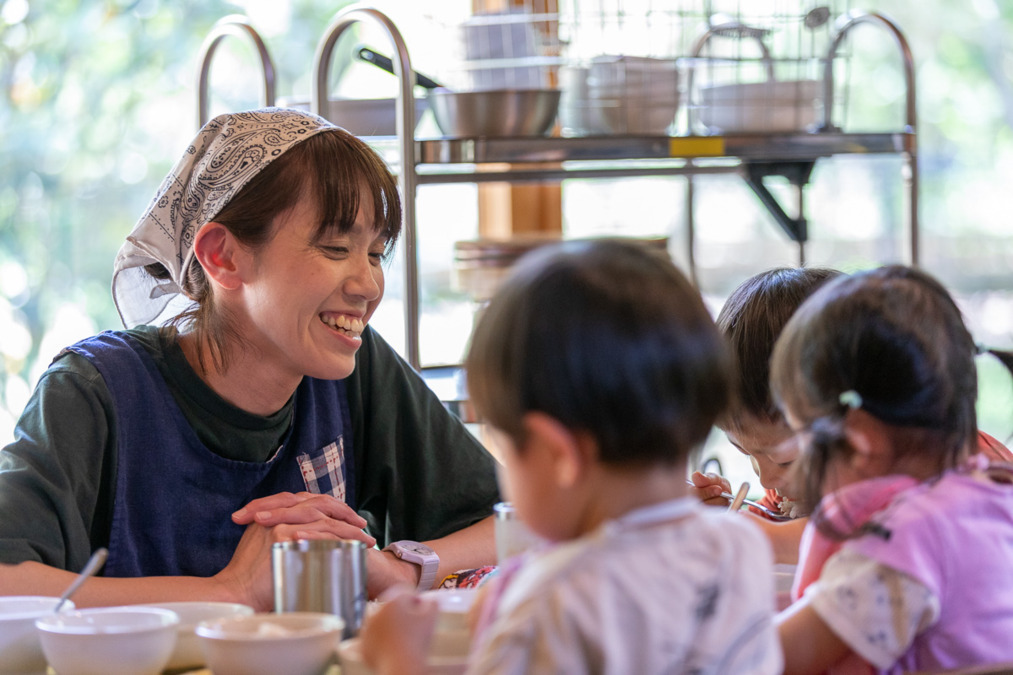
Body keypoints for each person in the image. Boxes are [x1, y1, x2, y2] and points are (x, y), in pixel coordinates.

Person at [0, 108, 500, 609]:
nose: (368, 286)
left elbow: (514, 522)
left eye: (374, 253)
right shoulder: (97, 390)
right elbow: (7, 582)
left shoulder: (351, 370)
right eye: (333, 247)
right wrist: (229, 590)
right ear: (223, 256)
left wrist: (402, 569)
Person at [360, 239, 784, 674]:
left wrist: (400, 660)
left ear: (558, 454)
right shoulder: (740, 547)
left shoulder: (551, 603)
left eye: (506, 445)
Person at [771, 265, 1013, 674]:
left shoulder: (902, 546)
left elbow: (773, 658)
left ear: (861, 443)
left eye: (802, 443)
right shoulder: (995, 494)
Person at [690, 266, 1011, 566]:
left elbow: (890, 539)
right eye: (748, 454)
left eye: (787, 461)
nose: (766, 480)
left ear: (864, 420)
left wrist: (758, 538)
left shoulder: (960, 474)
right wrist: (727, 517)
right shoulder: (803, 481)